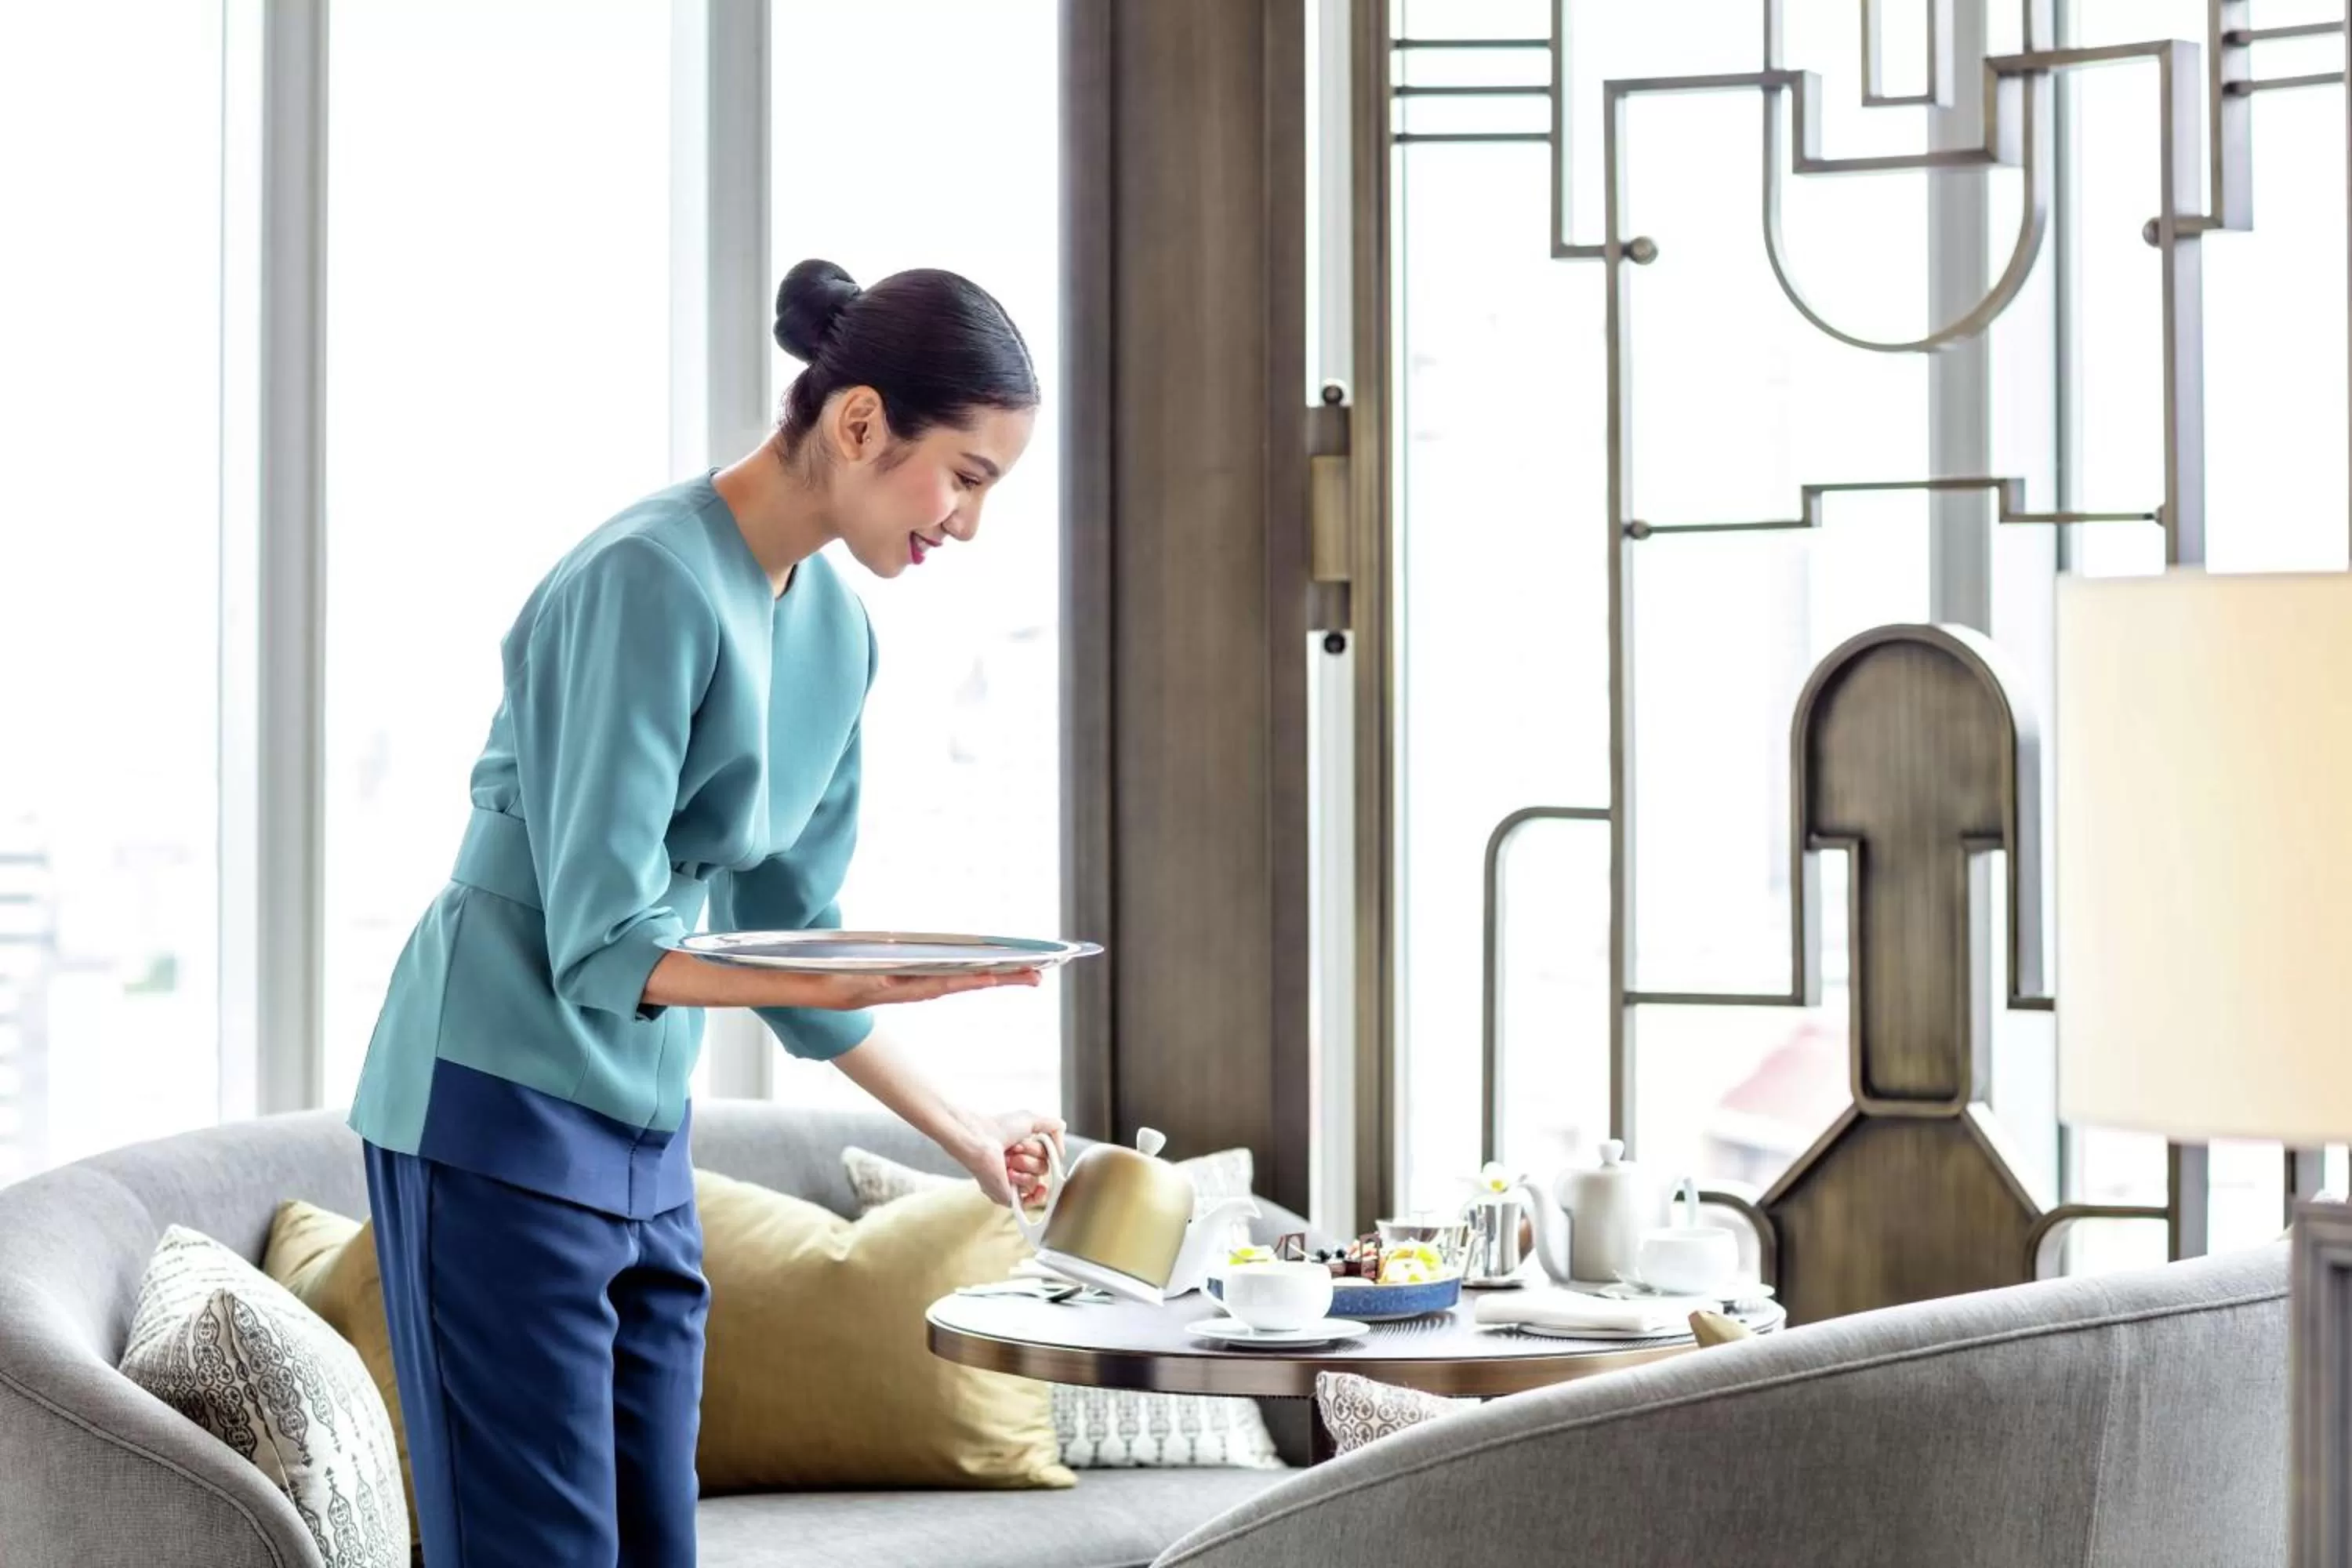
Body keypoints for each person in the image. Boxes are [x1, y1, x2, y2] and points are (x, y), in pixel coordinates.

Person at [346, 258, 1063, 1566]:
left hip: (642, 1134)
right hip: (494, 1099)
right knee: (535, 1550)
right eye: (965, 474)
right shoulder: (645, 581)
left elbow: (794, 935)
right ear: (858, 423)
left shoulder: (837, 636)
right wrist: (825, 982)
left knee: (653, 1542)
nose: (966, 521)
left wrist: (972, 1129)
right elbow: (609, 942)